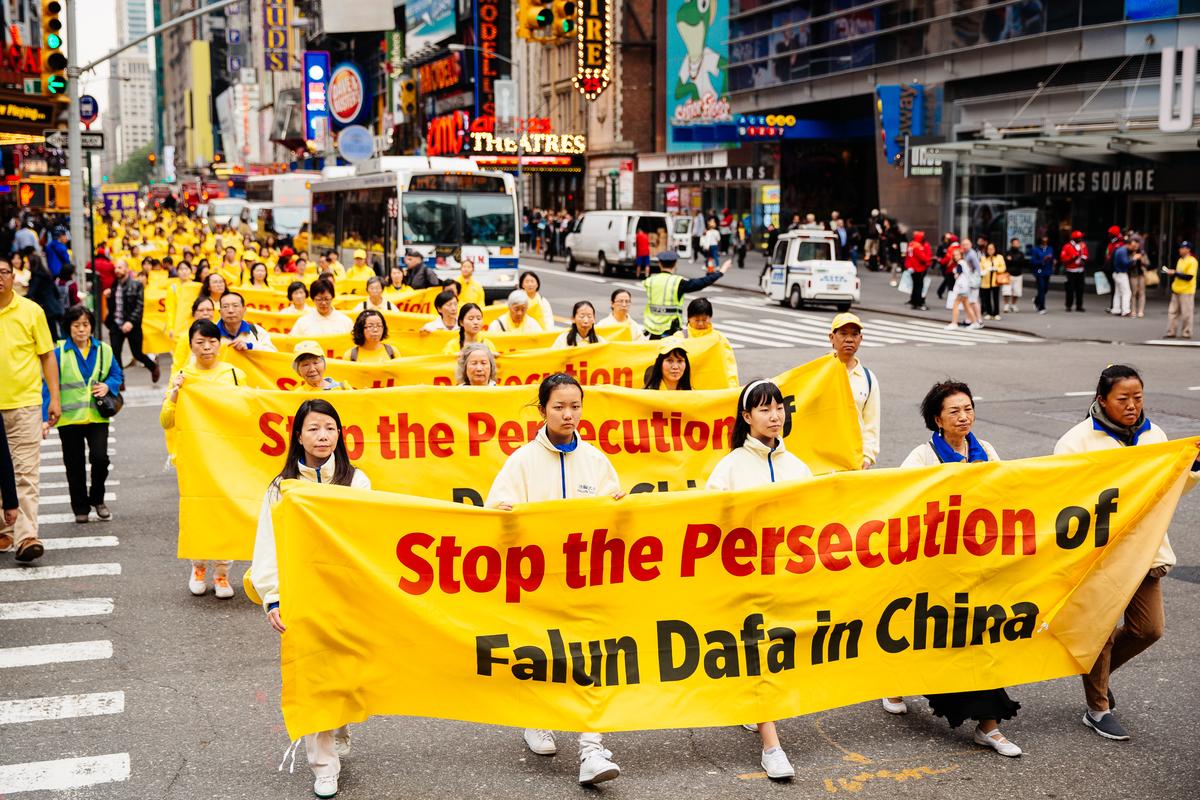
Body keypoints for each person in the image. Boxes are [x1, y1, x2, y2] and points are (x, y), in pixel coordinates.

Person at [485, 373, 625, 786]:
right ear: (543, 409)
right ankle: (537, 717)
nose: (568, 414)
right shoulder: (523, 461)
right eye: (559, 406)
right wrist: (506, 513)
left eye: (575, 406)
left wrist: (618, 507)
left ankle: (592, 747)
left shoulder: (596, 460)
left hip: (585, 579)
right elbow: (496, 509)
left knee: (590, 657)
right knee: (544, 653)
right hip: (538, 578)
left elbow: (615, 516)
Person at [1054, 365, 1200, 741]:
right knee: (1099, 631)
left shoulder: (1156, 436)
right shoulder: (1076, 441)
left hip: (1145, 552)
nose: (1132, 406)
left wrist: (1191, 469)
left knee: (1149, 629)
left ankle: (1094, 672)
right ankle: (1097, 708)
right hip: (1098, 554)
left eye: (1138, 398)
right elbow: (1061, 496)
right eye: (1123, 399)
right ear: (1102, 400)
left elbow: (1169, 490)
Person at [885, 380, 1021, 757]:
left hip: (978, 568)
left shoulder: (986, 450)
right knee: (935, 639)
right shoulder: (921, 458)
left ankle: (989, 725)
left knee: (978, 642)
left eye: (968, 408)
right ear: (936, 419)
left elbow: (1005, 495)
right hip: (936, 570)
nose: (964, 417)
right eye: (954, 411)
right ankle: (897, 680)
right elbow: (901, 506)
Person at [249, 398, 372, 800]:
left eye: (330, 428)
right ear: (298, 435)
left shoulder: (357, 482)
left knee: (346, 675)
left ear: (340, 434)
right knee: (312, 679)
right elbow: (267, 546)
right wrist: (273, 597)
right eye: (314, 428)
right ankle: (323, 765)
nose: (323, 436)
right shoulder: (281, 488)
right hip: (302, 595)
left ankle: (339, 722)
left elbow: (372, 537)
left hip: (347, 596)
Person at [706, 379, 812, 780]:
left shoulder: (797, 467)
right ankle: (772, 745)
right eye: (764, 409)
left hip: (788, 580)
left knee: (777, 654)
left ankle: (754, 707)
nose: (774, 416)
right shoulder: (730, 467)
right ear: (746, 417)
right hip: (745, 581)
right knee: (758, 652)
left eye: (779, 408)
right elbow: (710, 523)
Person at [160, 319, 247, 597]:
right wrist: (175, 395)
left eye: (212, 341)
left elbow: (248, 412)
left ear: (220, 343)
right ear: (191, 345)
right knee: (198, 512)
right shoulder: (183, 376)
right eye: (200, 342)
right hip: (195, 457)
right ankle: (198, 566)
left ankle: (222, 574)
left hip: (227, 456)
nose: (207, 347)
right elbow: (166, 420)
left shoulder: (234, 374)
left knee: (225, 513)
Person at [0, 257, 60, 562]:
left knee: (25, 473)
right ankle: (4, 527)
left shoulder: (31, 311)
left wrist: (55, 398)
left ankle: (26, 537)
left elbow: (47, 356)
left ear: (13, 277)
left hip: (25, 404)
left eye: (3, 272)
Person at [42, 306, 121, 523]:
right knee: (74, 464)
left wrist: (108, 386)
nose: (81, 329)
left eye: (85, 325)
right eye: (76, 325)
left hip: (97, 417)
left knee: (100, 458)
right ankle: (80, 507)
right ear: (69, 327)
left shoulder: (104, 350)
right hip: (69, 419)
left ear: (91, 327)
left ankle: (97, 498)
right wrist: (44, 418)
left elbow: (116, 374)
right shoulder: (58, 353)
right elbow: (48, 386)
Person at [828, 313, 879, 469]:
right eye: (843, 333)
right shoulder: (819, 372)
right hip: (822, 456)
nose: (849, 339)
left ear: (860, 339)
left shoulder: (868, 378)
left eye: (854, 334)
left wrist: (867, 456)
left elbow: (871, 423)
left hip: (853, 459)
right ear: (832, 337)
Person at [642, 251, 729, 339]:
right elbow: (701, 282)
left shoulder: (650, 281)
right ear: (675, 264)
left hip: (652, 330)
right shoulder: (677, 282)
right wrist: (720, 272)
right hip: (670, 331)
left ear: (660, 264)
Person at [105, 260, 161, 383]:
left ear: (126, 269)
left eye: (120, 267)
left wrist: (130, 322)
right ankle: (120, 381)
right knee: (115, 354)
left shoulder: (136, 285)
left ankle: (153, 366)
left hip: (132, 325)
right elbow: (113, 307)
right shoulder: (114, 286)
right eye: (116, 268)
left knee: (137, 354)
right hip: (116, 325)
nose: (117, 270)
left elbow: (139, 306)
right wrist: (109, 297)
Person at [25, 252, 64, 340]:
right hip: (54, 307)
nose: (25, 264)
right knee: (56, 335)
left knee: (51, 336)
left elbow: (31, 294)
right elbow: (56, 292)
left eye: (27, 262)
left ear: (32, 263)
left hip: (46, 310)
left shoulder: (37, 277)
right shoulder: (46, 275)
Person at [1164, 240, 1196, 339]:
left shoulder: (1192, 261)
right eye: (1180, 248)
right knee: (1172, 312)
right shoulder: (1180, 260)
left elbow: (1189, 276)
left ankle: (1186, 332)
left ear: (1188, 249)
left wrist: (1175, 273)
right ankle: (1171, 331)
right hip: (1176, 289)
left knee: (1186, 313)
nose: (1180, 250)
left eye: (1183, 248)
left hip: (1187, 291)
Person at [1061, 230, 1088, 312]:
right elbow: (1063, 258)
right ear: (1075, 238)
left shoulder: (1083, 245)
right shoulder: (1067, 246)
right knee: (1070, 289)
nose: (1081, 239)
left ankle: (1079, 305)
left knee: (1080, 289)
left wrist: (1084, 258)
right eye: (1079, 237)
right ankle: (1068, 305)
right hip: (1071, 271)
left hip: (1080, 270)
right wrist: (1073, 258)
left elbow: (1086, 254)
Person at [979, 242, 1007, 320]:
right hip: (986, 281)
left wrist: (996, 269)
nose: (990, 250)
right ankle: (989, 313)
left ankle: (996, 313)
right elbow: (980, 268)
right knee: (986, 298)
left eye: (992, 249)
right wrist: (983, 271)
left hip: (995, 281)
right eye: (989, 249)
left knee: (995, 297)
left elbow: (1003, 268)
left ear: (995, 249)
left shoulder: (999, 257)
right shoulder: (983, 258)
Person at [1108, 238, 1132, 317]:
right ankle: (1126, 310)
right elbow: (1125, 263)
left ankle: (1116, 309)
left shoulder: (1119, 250)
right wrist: (1133, 259)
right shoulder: (1123, 251)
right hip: (1121, 273)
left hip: (1116, 273)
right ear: (1128, 244)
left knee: (1117, 292)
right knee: (1127, 292)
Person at [1031, 235, 1054, 314]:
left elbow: (1053, 258)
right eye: (1043, 241)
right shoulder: (1036, 249)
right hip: (1039, 272)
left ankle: (1037, 299)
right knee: (1041, 288)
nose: (1045, 242)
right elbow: (1033, 261)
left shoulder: (1050, 248)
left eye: (1046, 240)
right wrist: (1043, 260)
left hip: (1047, 271)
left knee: (1045, 289)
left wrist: (1053, 260)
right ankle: (1041, 307)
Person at [1003, 238, 1026, 313]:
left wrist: (1012, 260)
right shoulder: (1007, 253)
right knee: (1006, 291)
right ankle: (1006, 305)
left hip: (1018, 274)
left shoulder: (1021, 254)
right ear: (1011, 244)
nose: (1016, 244)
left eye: (1017, 243)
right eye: (1015, 243)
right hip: (1008, 274)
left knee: (1017, 291)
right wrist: (1012, 261)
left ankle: (1013, 305)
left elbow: (1022, 263)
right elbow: (1006, 262)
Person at [1127, 239, 1148, 318]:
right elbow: (1128, 264)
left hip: (1141, 275)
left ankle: (1141, 311)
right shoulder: (1129, 253)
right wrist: (1134, 259)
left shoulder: (1142, 253)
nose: (1135, 246)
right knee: (1133, 293)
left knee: (1142, 293)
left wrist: (1141, 259)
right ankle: (1133, 310)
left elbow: (1147, 263)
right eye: (1134, 245)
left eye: (1137, 244)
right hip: (1133, 275)